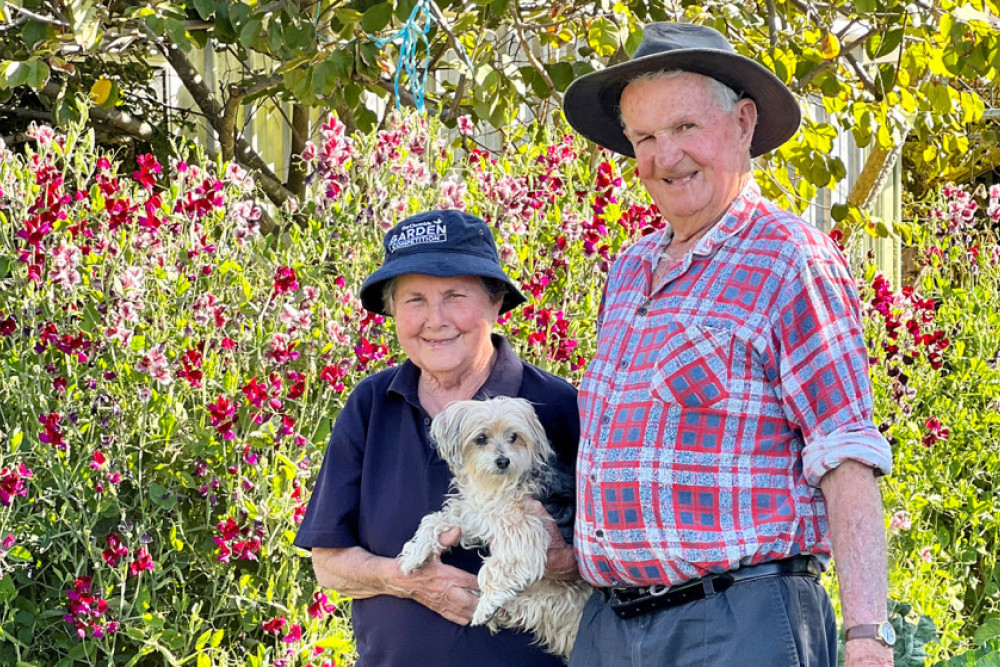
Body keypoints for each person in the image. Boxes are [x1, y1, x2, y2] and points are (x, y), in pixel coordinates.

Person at [561, 22, 894, 667]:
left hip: (736, 625)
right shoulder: (630, 270)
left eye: (685, 128)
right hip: (610, 627)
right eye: (645, 139)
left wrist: (866, 639)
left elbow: (846, 453)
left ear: (743, 124)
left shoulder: (790, 258)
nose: (665, 157)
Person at [294, 209, 580, 666]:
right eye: (414, 300)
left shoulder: (558, 408)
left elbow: (617, 562)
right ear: (391, 311)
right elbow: (328, 562)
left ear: (495, 301)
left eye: (454, 295)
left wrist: (556, 557)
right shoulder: (372, 404)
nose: (435, 319)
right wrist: (407, 579)